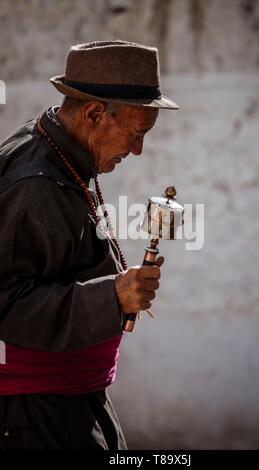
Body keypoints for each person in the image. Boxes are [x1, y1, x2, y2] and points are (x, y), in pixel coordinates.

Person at [0, 40, 179, 450]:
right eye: (135, 134)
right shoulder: (34, 185)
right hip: (34, 417)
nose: (138, 150)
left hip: (71, 401)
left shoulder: (57, 148)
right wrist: (111, 297)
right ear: (95, 113)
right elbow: (5, 303)